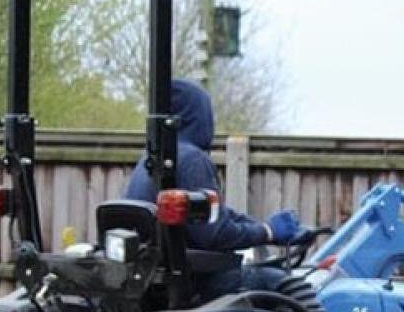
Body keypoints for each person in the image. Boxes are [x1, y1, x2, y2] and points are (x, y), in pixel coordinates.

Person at [125, 79, 305, 299]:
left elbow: (209, 215)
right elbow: (215, 234)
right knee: (290, 286)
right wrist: (268, 232)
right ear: (196, 115)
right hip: (196, 284)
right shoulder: (191, 159)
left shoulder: (150, 159)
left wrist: (262, 227)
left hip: (153, 280)